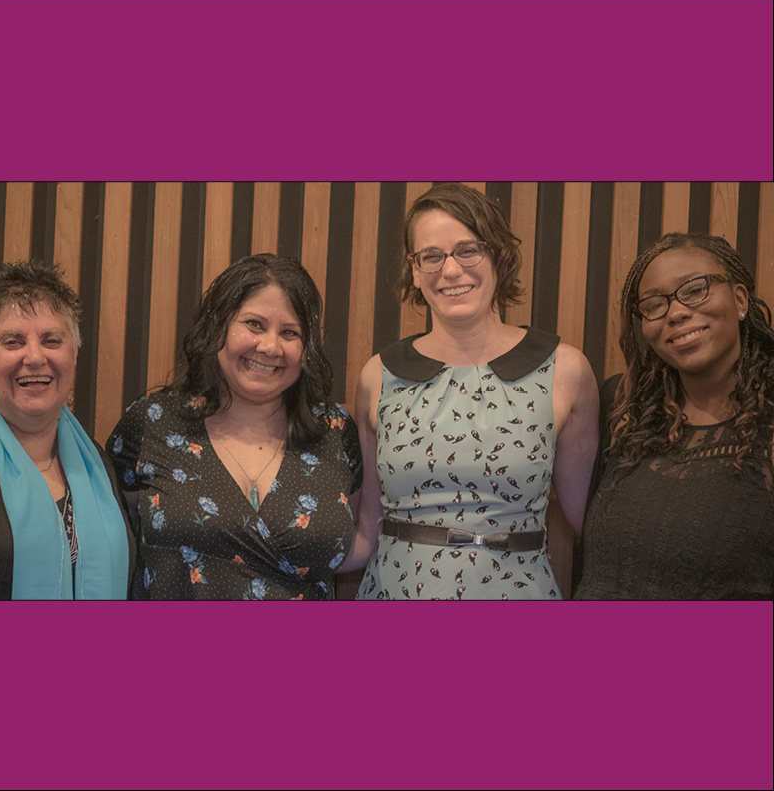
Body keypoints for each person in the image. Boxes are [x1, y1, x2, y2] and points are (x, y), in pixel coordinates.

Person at [350, 183, 599, 599]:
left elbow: (589, 522)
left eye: (468, 250)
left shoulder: (565, 370)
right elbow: (367, 528)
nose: (450, 271)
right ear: (414, 270)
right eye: (431, 256)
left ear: (497, 254)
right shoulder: (378, 375)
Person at [107, 254, 363, 599]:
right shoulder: (153, 421)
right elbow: (114, 537)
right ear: (219, 326)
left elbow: (363, 538)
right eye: (254, 324)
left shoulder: (334, 430)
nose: (270, 347)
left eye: (289, 333)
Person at [577, 233, 774, 600]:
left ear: (740, 299)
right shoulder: (621, 410)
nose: (676, 311)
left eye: (695, 289)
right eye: (654, 304)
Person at [0, 261, 134, 599]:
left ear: (74, 354)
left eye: (51, 340)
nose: (34, 356)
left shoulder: (99, 464)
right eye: (13, 342)